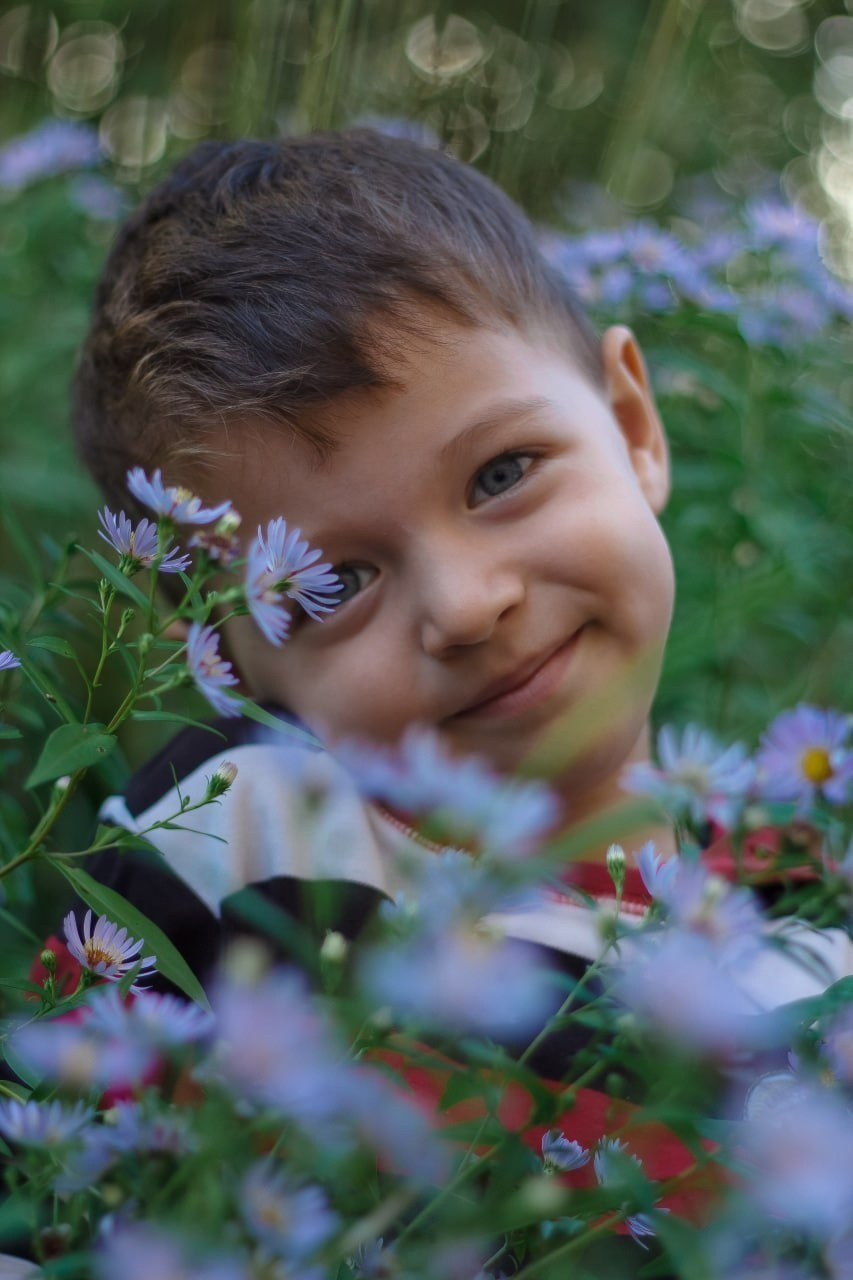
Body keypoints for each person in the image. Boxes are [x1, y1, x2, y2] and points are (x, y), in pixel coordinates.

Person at [51, 130, 850, 1239]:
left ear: (633, 427)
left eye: (502, 473)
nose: (468, 605)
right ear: (226, 656)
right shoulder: (252, 839)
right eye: (334, 583)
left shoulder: (814, 924)